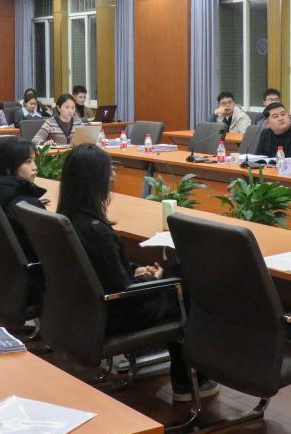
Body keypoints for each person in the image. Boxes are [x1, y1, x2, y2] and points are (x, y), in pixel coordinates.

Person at [57, 144, 216, 403]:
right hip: (117, 313)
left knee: (176, 272)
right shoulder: (97, 231)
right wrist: (150, 279)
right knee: (186, 287)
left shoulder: (68, 219)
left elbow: (102, 270)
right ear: (94, 179)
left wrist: (135, 270)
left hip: (85, 311)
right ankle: (188, 383)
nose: (113, 175)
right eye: (108, 170)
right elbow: (123, 291)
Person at [0, 138, 45, 262]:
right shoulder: (26, 205)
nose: (35, 167)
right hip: (30, 268)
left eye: (34, 161)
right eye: (28, 162)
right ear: (8, 166)